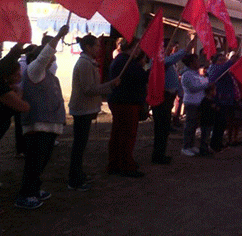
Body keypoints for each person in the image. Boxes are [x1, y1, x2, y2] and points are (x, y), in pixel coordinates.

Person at [16, 25, 69, 209]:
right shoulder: (34, 71)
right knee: (33, 162)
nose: (52, 60)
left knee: (41, 162)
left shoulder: (49, 76)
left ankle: (34, 189)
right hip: (37, 127)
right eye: (50, 58)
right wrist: (59, 36)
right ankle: (25, 195)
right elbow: (44, 56)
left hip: (50, 127)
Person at [68, 34, 119, 191]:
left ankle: (78, 174)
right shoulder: (84, 64)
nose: (99, 48)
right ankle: (74, 180)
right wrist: (110, 85)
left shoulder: (89, 63)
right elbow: (88, 89)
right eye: (96, 45)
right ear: (88, 47)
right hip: (82, 109)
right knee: (79, 146)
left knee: (81, 145)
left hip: (86, 109)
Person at [107, 38, 148, 178]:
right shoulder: (126, 61)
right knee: (127, 135)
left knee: (118, 134)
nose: (139, 51)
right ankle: (125, 165)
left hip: (121, 101)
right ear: (131, 47)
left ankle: (115, 163)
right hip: (126, 102)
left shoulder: (121, 60)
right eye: (137, 48)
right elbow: (141, 77)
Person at [149, 37, 194, 165]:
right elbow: (169, 60)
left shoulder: (169, 61)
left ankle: (161, 154)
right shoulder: (158, 60)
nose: (171, 49)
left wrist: (179, 92)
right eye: (169, 46)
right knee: (161, 128)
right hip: (161, 97)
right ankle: (157, 155)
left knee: (164, 128)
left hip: (169, 97)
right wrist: (185, 50)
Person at [180, 53, 210, 156]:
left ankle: (191, 145)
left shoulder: (196, 73)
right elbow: (193, 87)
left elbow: (203, 81)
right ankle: (186, 146)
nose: (199, 63)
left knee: (194, 125)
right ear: (192, 63)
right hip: (191, 103)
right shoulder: (187, 74)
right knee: (190, 125)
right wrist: (206, 84)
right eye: (196, 61)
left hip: (199, 102)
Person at [207, 52, 237, 152]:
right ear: (215, 61)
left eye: (224, 59)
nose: (223, 61)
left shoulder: (225, 70)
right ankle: (214, 144)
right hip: (218, 100)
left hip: (226, 100)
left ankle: (219, 142)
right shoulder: (214, 68)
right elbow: (218, 74)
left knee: (223, 123)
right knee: (218, 123)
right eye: (220, 59)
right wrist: (230, 62)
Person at [199, 84, 218, 156]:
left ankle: (206, 148)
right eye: (214, 90)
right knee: (204, 136)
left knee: (207, 136)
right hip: (205, 121)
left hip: (210, 121)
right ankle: (203, 150)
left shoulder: (212, 100)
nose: (215, 92)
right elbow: (203, 111)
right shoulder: (205, 101)